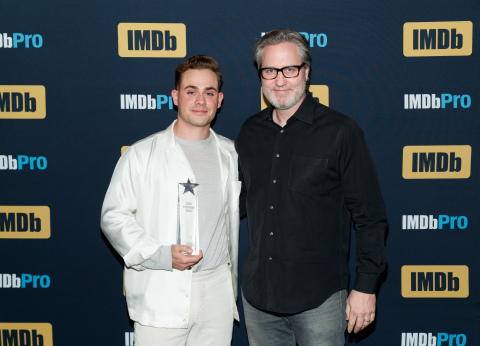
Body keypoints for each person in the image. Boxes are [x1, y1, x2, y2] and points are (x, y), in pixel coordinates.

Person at [235, 29, 387, 346]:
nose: (280, 80)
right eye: (270, 71)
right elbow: (238, 202)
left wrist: (366, 286)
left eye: (289, 69)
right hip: (258, 298)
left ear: (306, 72)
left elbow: (370, 216)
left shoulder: (341, 132)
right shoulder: (250, 132)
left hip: (319, 300)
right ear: (260, 75)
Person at [101, 55, 241, 346]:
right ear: (176, 97)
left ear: (220, 100)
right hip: (161, 289)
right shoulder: (141, 154)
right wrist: (161, 255)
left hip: (217, 290)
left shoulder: (233, 154)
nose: (200, 100)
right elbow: (113, 217)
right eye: (191, 91)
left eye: (209, 92)